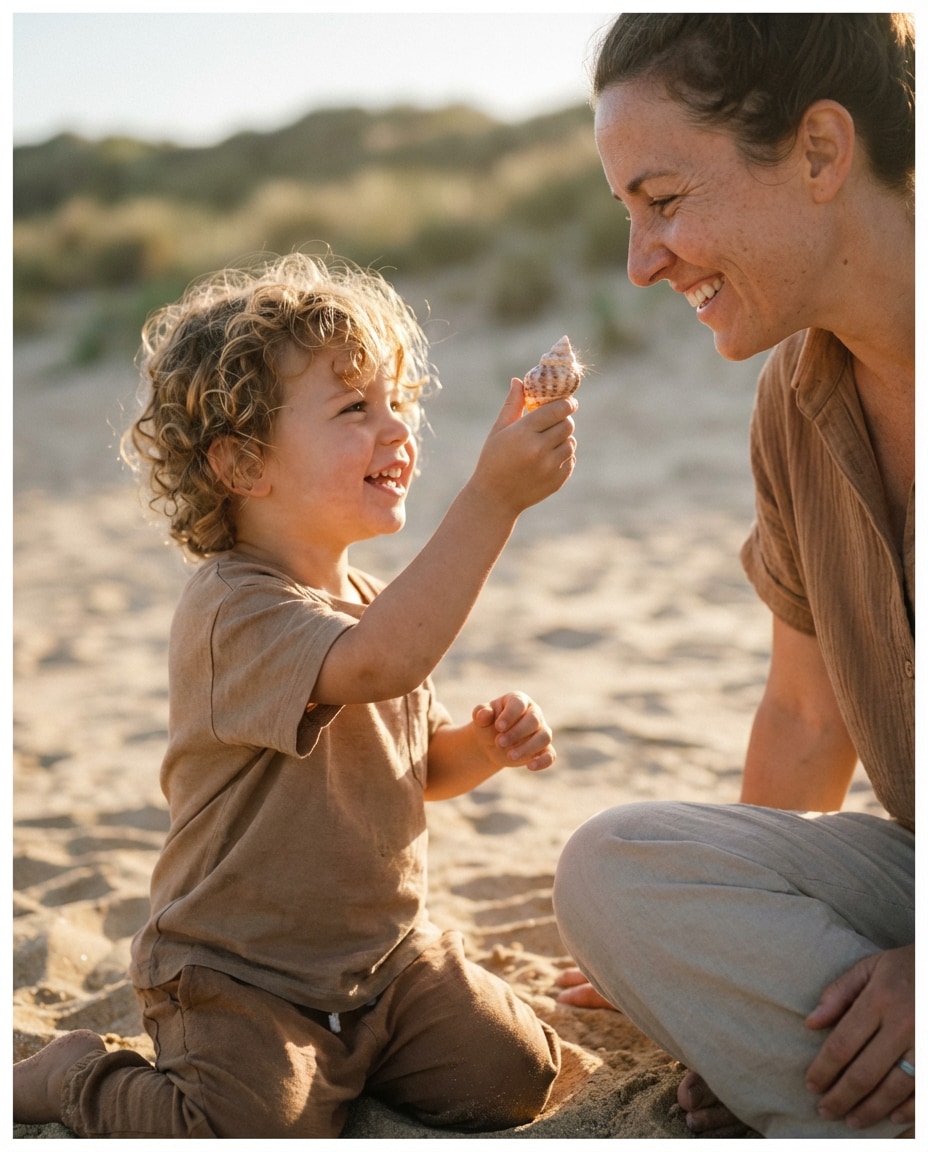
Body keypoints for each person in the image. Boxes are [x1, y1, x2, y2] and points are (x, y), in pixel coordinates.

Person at [13, 252, 578, 1137]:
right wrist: (492, 500)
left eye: (402, 403)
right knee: (242, 1129)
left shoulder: (368, 605)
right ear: (243, 464)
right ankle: (71, 1075)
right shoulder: (231, 608)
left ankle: (354, 1064)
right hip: (242, 975)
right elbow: (380, 667)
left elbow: (416, 761)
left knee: (515, 1075)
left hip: (381, 962)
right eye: (356, 409)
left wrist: (484, 744)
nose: (396, 429)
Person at [551, 13, 914, 1140]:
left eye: (665, 200)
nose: (641, 262)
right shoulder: (795, 405)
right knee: (614, 869)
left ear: (816, 151)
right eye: (628, 215)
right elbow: (807, 718)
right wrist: (727, 995)